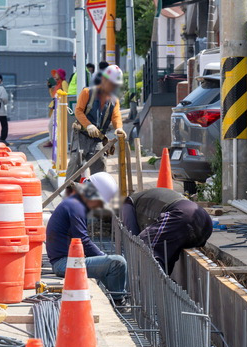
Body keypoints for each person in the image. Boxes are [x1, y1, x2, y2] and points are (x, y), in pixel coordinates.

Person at [46, 172, 128, 304]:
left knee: (110, 263)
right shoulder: (75, 206)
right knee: (117, 263)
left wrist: (102, 258)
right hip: (64, 264)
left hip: (67, 261)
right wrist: (104, 257)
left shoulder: (74, 203)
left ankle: (114, 295)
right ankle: (118, 301)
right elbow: (83, 241)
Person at [121, 188, 214, 275]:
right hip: (204, 224)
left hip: (184, 216)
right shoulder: (144, 199)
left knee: (144, 243)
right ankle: (163, 281)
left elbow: (133, 239)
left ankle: (157, 286)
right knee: (164, 249)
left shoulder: (127, 204)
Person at [66, 65, 126, 181]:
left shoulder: (114, 100)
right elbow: (78, 111)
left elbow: (116, 116)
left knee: (100, 165)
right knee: (75, 162)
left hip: (98, 138)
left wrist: (119, 128)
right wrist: (88, 125)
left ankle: (99, 193)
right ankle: (70, 191)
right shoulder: (87, 92)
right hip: (82, 136)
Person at [45, 68, 68, 147]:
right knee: (52, 124)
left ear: (60, 75)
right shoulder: (57, 85)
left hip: (60, 106)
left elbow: (66, 94)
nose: (55, 76)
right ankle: (52, 140)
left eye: (57, 74)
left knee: (53, 124)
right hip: (56, 106)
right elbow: (52, 95)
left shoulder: (63, 83)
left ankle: (54, 141)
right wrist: (50, 87)